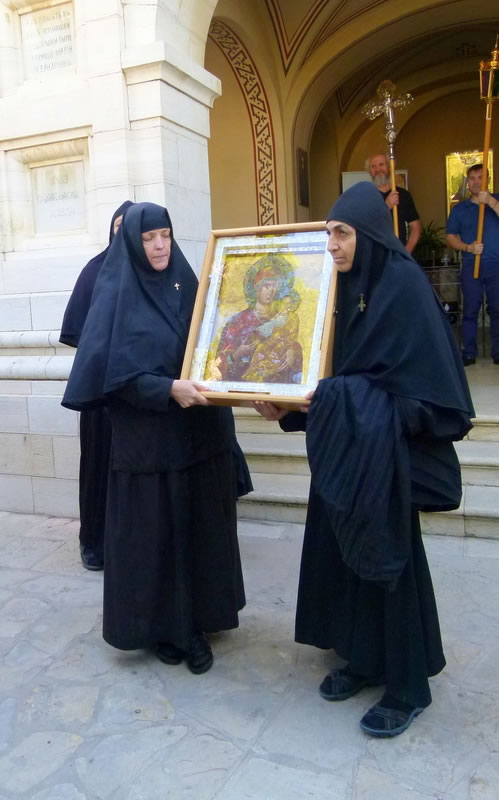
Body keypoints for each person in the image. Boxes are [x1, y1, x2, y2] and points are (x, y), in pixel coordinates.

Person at [255, 182, 474, 737]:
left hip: (386, 460)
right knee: (341, 557)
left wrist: (341, 401)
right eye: (329, 233)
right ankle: (362, 658)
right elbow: (332, 377)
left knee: (389, 565)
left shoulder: (404, 287)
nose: (331, 244)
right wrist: (288, 407)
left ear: (371, 234)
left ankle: (407, 687)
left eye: (342, 233)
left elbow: (431, 398)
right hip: (347, 450)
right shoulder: (344, 287)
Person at [62, 202, 247, 674]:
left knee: (197, 530)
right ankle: (172, 630)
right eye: (148, 238)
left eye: (165, 234)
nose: (160, 245)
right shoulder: (115, 294)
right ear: (131, 243)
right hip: (151, 445)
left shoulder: (186, 282)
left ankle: (201, 617)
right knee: (160, 537)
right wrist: (167, 389)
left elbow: (213, 345)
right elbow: (113, 376)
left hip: (199, 437)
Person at [60, 200, 134, 570]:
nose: (123, 235)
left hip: (142, 396)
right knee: (98, 467)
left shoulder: (151, 273)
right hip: (100, 393)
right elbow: (77, 332)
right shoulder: (94, 271)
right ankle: (93, 542)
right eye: (118, 227)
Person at [215, 255, 302, 382]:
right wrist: (238, 354)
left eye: (274, 286)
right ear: (256, 289)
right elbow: (218, 364)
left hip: (274, 386)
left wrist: (292, 350)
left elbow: (290, 339)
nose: (271, 291)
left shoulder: (283, 318)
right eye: (266, 286)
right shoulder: (238, 321)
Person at [446, 163, 499, 366]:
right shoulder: (460, 209)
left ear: (488, 180)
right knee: (470, 310)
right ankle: (469, 353)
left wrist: (491, 202)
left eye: (480, 177)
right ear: (468, 183)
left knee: (497, 309)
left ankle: (498, 352)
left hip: (496, 265)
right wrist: (468, 247)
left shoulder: (496, 200)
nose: (477, 182)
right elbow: (450, 237)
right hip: (471, 265)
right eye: (472, 178)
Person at [368, 153, 421, 253]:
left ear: (389, 167)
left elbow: (416, 228)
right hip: (375, 255)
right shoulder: (366, 196)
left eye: (381, 164)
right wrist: (386, 206)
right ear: (370, 172)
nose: (378, 169)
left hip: (397, 253)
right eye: (373, 166)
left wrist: (405, 254)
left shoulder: (403, 195)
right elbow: (364, 226)